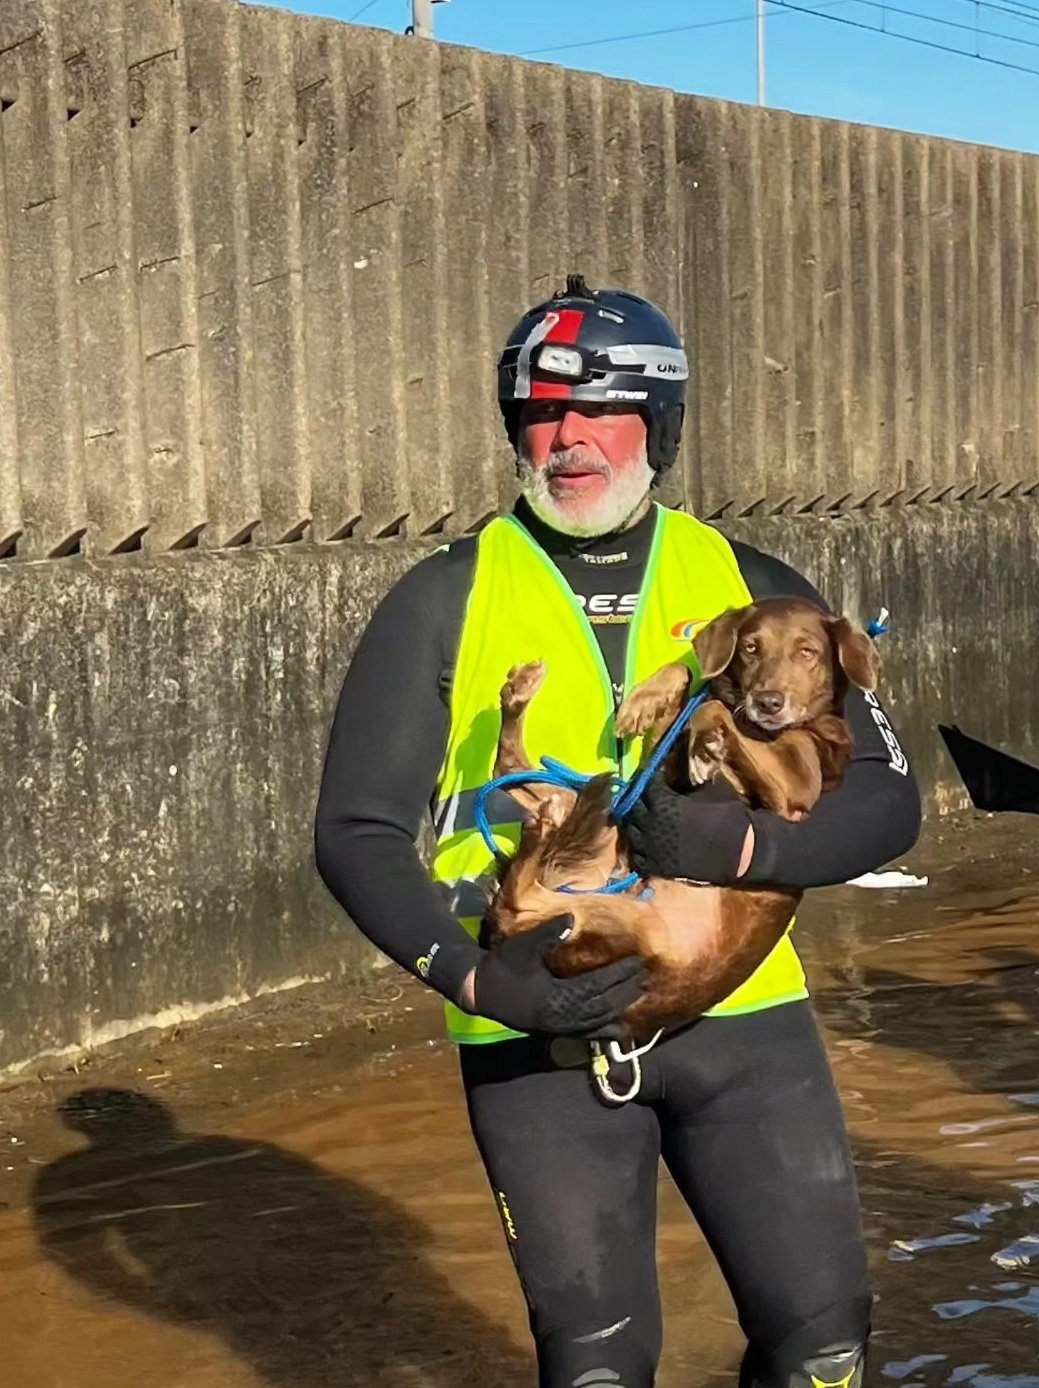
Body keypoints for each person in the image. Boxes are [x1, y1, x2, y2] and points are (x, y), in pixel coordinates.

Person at [315, 275, 922, 1388]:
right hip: (536, 1025)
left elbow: (889, 798)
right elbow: (354, 832)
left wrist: (749, 852)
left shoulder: (752, 585)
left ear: (660, 426)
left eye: (605, 410)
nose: (571, 437)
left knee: (825, 1348)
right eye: (544, 413)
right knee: (595, 1370)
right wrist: (482, 983)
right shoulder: (440, 597)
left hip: (747, 1025)